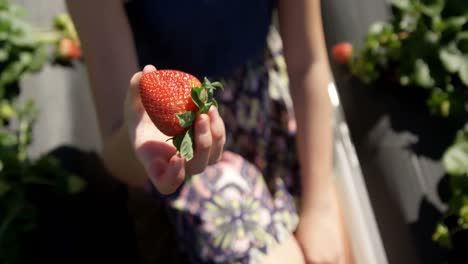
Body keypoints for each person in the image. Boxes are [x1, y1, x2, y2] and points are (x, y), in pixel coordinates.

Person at [66, 0, 352, 263]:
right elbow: (118, 155)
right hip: (183, 144)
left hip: (267, 106)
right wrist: (141, 141)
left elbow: (307, 65)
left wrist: (319, 206)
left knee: (335, 247)